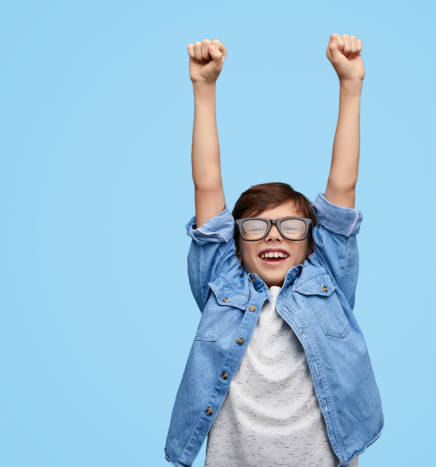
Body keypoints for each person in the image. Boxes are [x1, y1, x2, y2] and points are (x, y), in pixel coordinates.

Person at [164, 33, 384, 467]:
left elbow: (343, 186)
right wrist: (203, 89)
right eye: (257, 227)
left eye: (289, 226)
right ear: (235, 241)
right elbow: (206, 185)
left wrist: (350, 86)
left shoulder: (329, 279)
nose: (273, 235)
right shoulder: (221, 281)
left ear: (312, 240)